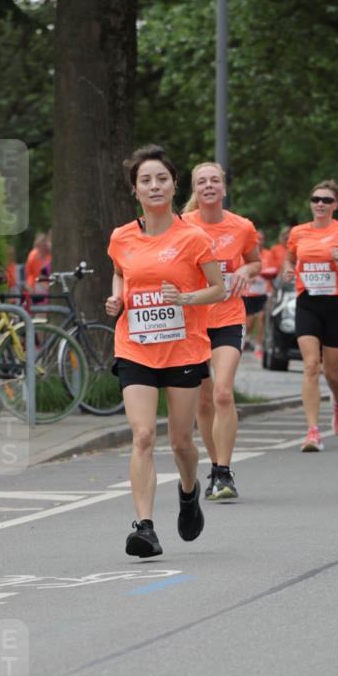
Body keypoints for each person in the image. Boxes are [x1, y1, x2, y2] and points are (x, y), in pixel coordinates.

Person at [105, 145, 224, 558]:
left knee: (180, 442)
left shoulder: (194, 237)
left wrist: (186, 299)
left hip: (183, 350)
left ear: (174, 186)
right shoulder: (122, 236)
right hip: (134, 346)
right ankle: (145, 527)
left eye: (161, 179)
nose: (154, 186)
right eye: (145, 181)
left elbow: (218, 289)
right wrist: (116, 298)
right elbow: (121, 273)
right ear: (135, 191)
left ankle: (189, 492)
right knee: (141, 436)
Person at [183, 161, 262, 501]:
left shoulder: (242, 227)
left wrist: (247, 268)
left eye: (215, 180)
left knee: (223, 393)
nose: (209, 186)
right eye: (202, 182)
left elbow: (256, 260)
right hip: (193, 323)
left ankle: (224, 472)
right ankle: (215, 465)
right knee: (203, 400)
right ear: (195, 190)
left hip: (229, 317)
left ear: (224, 189)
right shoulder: (181, 226)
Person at [281, 179, 338, 452]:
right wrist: (288, 270)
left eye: (326, 200)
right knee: (311, 365)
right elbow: (290, 258)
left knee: (332, 372)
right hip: (307, 303)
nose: (320, 204)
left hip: (336, 304)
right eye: (316, 200)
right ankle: (313, 431)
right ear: (310, 203)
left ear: (336, 204)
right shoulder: (299, 232)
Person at [242, 230, 271, 350]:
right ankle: (246, 339)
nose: (259, 242)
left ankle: (259, 345)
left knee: (262, 317)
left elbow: (274, 269)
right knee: (249, 320)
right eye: (257, 239)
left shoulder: (269, 254)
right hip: (248, 292)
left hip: (263, 292)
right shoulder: (245, 253)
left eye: (262, 239)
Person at [24, 231, 51, 301]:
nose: (43, 247)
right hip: (36, 287)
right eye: (41, 245)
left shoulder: (50, 256)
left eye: (45, 244)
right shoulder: (33, 256)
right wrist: (30, 287)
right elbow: (29, 274)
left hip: (49, 286)